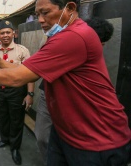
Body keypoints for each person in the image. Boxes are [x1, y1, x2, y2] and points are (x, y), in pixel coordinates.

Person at [0, 0, 131, 165]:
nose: (40, 20)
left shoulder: (72, 37)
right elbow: (25, 70)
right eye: (37, 14)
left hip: (96, 138)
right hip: (69, 131)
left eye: (45, 12)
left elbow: (17, 78)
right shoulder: (60, 37)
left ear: (70, 8)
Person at [34, 17, 115, 165]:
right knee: (42, 136)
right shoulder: (61, 39)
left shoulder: (94, 57)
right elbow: (29, 70)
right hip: (49, 96)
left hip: (74, 102)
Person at [0, 20, 34, 165]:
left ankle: (15, 148)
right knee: (3, 116)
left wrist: (30, 94)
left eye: (8, 32)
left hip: (17, 90)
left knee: (16, 119)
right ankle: (5, 139)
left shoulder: (22, 50)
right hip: (0, 90)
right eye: (2, 33)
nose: (5, 35)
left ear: (13, 33)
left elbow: (30, 74)